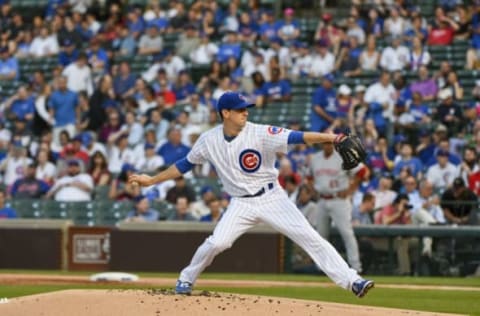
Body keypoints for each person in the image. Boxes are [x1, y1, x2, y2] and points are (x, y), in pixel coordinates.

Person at [129, 91, 374, 297]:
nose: (245, 112)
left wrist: (334, 137)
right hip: (241, 203)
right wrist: (152, 180)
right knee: (218, 242)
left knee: (310, 237)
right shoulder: (208, 140)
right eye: (239, 109)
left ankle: (353, 281)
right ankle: (186, 278)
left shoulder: (260, 133)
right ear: (225, 113)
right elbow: (184, 164)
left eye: (246, 108)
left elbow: (299, 137)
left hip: (272, 198)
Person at [309, 141, 365, 273]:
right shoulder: (315, 158)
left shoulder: (343, 156)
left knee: (347, 233)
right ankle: (322, 267)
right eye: (325, 143)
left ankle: (356, 267)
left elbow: (362, 171)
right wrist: (313, 191)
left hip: (339, 200)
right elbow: (309, 176)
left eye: (329, 143)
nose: (327, 146)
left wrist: (350, 190)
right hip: (322, 199)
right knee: (321, 236)